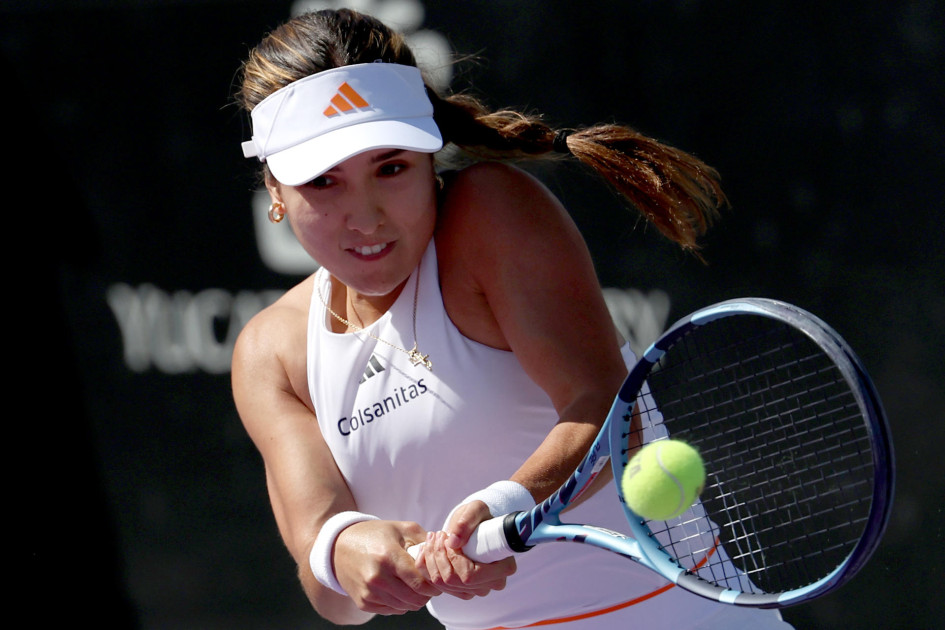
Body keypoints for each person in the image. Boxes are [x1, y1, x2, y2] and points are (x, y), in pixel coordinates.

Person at [232, 8, 792, 629]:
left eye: (390, 168)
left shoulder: (490, 213)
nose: (365, 218)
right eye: (322, 182)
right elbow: (325, 579)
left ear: (429, 156)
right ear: (275, 192)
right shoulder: (273, 352)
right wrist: (351, 554)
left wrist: (505, 506)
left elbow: (606, 407)